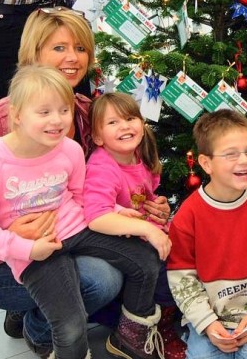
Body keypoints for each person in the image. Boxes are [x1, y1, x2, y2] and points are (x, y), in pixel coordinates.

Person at [0, 7, 170, 357]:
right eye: (59, 48)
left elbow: (96, 189)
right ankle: (39, 327)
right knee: (99, 280)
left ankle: (53, 318)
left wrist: (143, 206)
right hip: (2, 259)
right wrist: (14, 238)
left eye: (80, 48)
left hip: (69, 234)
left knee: (135, 260)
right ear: (34, 54)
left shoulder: (86, 111)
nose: (72, 58)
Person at [168, 109, 247, 359]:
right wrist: (206, 323)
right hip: (212, 318)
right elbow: (182, 278)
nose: (244, 160)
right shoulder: (188, 216)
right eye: (231, 154)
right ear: (206, 163)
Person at [85, 92, 187, 359]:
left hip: (143, 228)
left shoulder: (139, 157)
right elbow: (96, 217)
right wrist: (149, 229)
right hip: (116, 238)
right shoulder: (102, 167)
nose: (125, 126)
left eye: (131, 118)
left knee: (188, 249)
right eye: (113, 122)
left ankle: (183, 309)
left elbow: (145, 197)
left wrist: (158, 206)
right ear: (97, 137)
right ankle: (158, 325)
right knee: (164, 266)